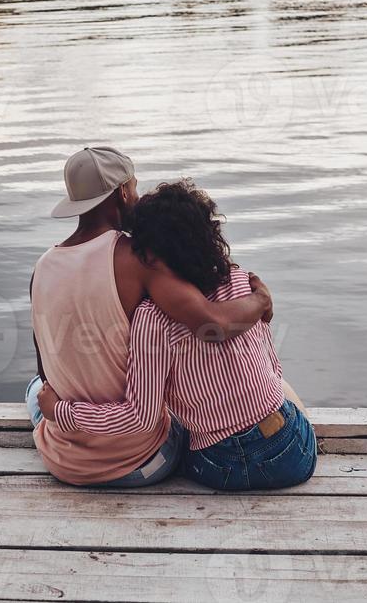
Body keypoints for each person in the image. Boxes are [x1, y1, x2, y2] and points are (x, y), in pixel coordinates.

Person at [37, 179, 317, 491]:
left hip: (224, 464)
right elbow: (273, 368)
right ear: (208, 232)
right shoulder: (242, 283)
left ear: (148, 252)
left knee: (40, 393)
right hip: (294, 452)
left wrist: (60, 411)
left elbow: (140, 418)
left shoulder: (151, 318)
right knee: (279, 388)